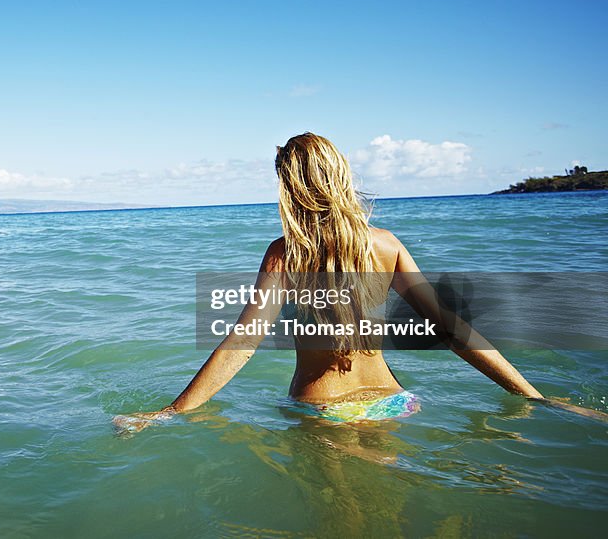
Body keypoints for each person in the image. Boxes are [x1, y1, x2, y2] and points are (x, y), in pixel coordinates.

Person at [115, 132, 604, 433]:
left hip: (322, 409)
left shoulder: (288, 254)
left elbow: (240, 345)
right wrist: (534, 396)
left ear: (290, 188)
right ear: (340, 176)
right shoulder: (387, 244)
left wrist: (169, 413)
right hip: (392, 403)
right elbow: (452, 331)